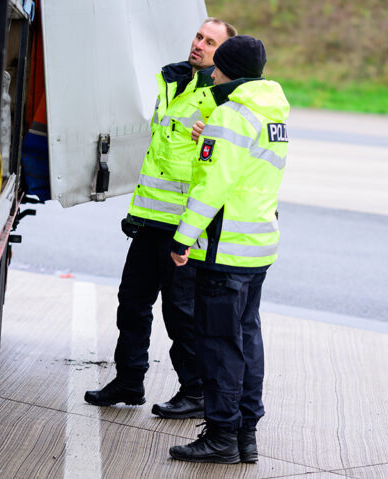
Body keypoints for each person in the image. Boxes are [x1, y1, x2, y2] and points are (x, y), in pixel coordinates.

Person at [84, 18, 237, 420]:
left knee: (180, 314)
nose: (200, 44)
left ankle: (194, 391)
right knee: (132, 303)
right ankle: (129, 380)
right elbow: (158, 157)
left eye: (210, 42)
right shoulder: (172, 83)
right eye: (199, 36)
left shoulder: (222, 100)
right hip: (150, 220)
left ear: (222, 54)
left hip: (185, 227)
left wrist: (212, 135)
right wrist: (136, 214)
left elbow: (226, 164)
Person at [168, 35, 289, 463]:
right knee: (248, 339)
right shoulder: (272, 114)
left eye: (217, 67)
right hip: (257, 248)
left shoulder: (232, 115)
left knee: (219, 344)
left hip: (225, 251)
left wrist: (183, 238)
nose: (212, 73)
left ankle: (221, 436)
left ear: (229, 71)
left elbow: (213, 185)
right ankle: (245, 436)